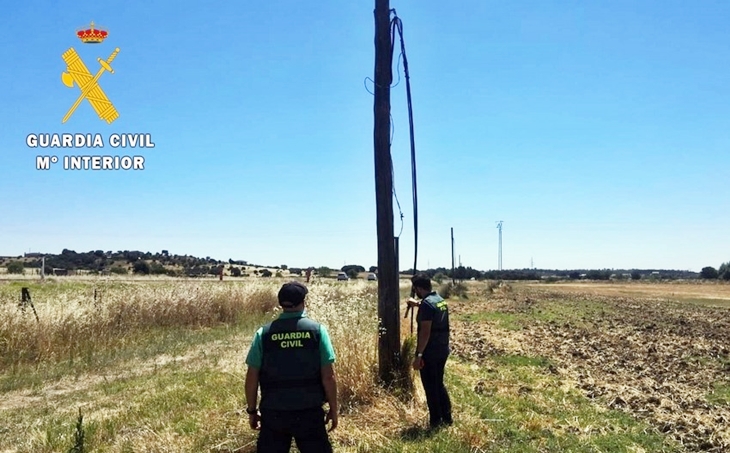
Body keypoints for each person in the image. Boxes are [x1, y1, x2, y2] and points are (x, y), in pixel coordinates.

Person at [245, 281, 338, 453]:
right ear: (304, 302)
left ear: (281, 303)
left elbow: (252, 377)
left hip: (274, 413)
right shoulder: (318, 331)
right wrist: (333, 409)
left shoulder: (263, 334)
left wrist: (252, 411)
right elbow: (328, 377)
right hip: (309, 411)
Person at [407, 273, 452, 429]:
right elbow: (430, 309)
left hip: (430, 352)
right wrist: (417, 304)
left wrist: (418, 355)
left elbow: (425, 332)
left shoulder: (427, 305)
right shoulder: (439, 300)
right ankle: (447, 417)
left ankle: (435, 421)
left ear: (419, 288)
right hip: (443, 349)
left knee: (430, 386)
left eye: (415, 289)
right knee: (438, 383)